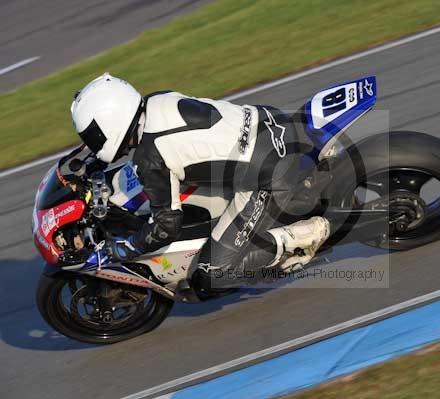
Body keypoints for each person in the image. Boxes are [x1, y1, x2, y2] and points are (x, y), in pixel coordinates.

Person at [71, 73, 330, 295]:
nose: (92, 141)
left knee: (210, 276)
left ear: (111, 123)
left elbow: (166, 227)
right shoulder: (155, 101)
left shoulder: (149, 158)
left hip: (270, 175)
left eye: (93, 135)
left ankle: (302, 236)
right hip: (271, 123)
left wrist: (123, 249)